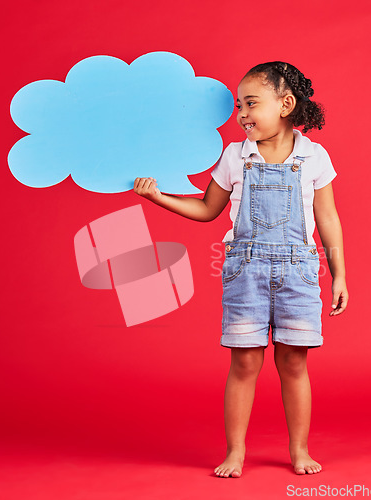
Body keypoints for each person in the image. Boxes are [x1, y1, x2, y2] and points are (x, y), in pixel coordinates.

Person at [134, 61, 348, 478]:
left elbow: (328, 218)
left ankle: (299, 450)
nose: (242, 114)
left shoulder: (314, 156)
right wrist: (159, 197)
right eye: (238, 106)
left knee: (294, 362)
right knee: (245, 363)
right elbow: (207, 209)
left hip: (299, 273)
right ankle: (235, 452)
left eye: (251, 103)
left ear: (286, 104)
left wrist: (339, 273)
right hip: (245, 272)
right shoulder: (235, 155)